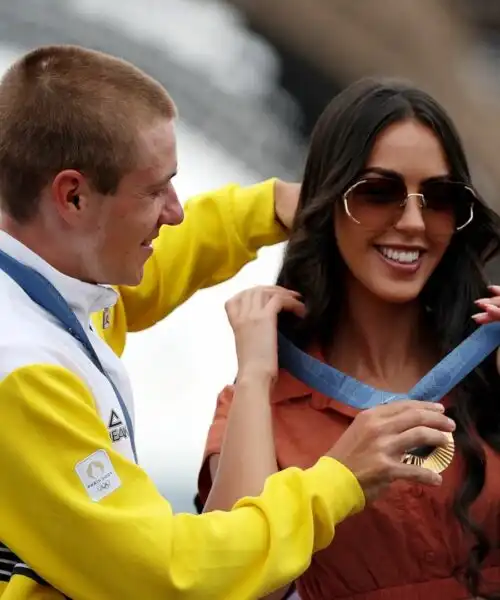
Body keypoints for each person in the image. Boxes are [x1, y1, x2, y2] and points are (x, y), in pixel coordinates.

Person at [0, 47, 455, 600]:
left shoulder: (45, 289)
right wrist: (338, 478)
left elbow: (147, 272)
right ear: (72, 196)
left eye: (440, 198)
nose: (176, 210)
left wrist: (266, 207)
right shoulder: (24, 367)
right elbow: (167, 577)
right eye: (154, 190)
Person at [197, 78, 500, 600]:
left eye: (440, 197)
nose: (412, 222)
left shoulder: (489, 363)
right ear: (326, 200)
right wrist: (254, 376)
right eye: (378, 193)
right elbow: (232, 583)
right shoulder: (261, 404)